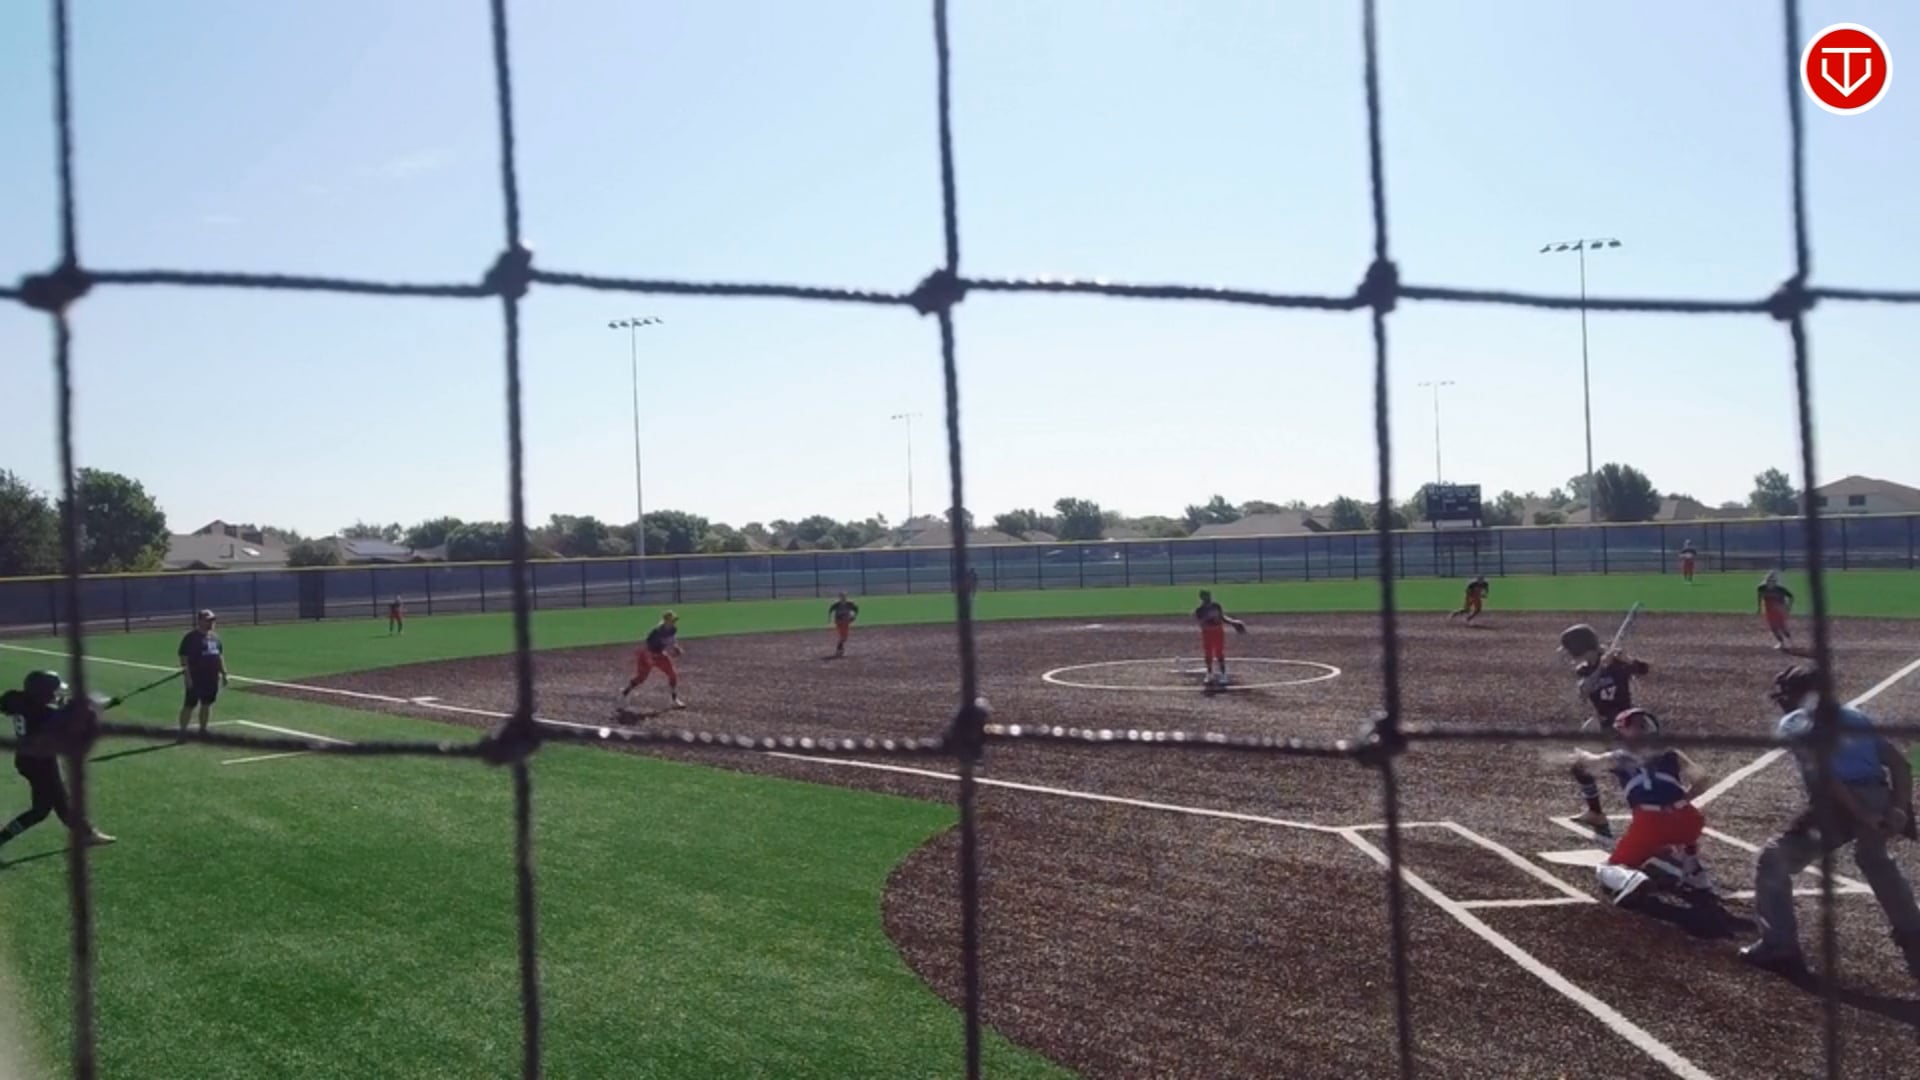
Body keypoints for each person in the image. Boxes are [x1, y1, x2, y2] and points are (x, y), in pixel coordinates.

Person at [1741, 665, 1920, 980]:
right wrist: (1898, 809)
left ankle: (1779, 946)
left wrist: (1863, 814)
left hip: (1841, 802)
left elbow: (1827, 779)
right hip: (1880, 795)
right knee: (1874, 859)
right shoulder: (1856, 717)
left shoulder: (1795, 723)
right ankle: (1914, 935)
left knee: (1773, 860)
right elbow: (1901, 766)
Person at [1567, 707, 1713, 905]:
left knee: (1607, 868)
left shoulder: (1618, 757)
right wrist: (1683, 800)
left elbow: (1588, 764)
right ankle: (1694, 871)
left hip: (1650, 824)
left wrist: (1579, 752)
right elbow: (1703, 779)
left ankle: (1631, 880)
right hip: (1688, 819)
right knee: (1678, 835)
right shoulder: (1671, 753)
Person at [0, 671, 115, 857]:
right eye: (52, 691)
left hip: (27, 760)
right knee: (41, 810)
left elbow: (57, 712)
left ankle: (87, 834)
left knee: (62, 802)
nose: (56, 695)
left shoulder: (21, 702)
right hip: (40, 764)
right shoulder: (45, 714)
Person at [1559, 622, 1653, 835]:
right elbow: (1584, 691)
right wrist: (1601, 667)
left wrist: (1628, 661)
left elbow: (1644, 670)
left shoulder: (1617, 662)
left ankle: (1650, 818)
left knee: (1627, 772)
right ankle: (1595, 812)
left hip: (1625, 726)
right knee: (1580, 765)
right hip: (1603, 725)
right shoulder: (1585, 669)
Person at [177, 609, 229, 740]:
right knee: (189, 705)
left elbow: (219, 656)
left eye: (213, 620)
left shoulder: (215, 638)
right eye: (208, 620)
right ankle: (182, 732)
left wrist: (224, 673)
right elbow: (184, 658)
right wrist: (188, 677)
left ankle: (203, 730)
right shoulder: (190, 638)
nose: (211, 623)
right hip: (196, 678)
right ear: (200, 621)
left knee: (207, 704)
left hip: (211, 678)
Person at [621, 611, 685, 711]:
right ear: (665, 621)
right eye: (672, 620)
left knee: (672, 675)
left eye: (674, 620)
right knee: (641, 678)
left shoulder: (673, 629)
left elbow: (671, 641)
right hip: (647, 655)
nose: (674, 622)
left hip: (660, 655)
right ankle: (625, 693)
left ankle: (674, 699)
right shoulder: (657, 632)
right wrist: (649, 659)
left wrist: (676, 648)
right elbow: (646, 647)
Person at [1193, 590, 1248, 689]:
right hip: (1207, 633)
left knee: (1219, 653)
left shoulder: (1216, 606)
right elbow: (1202, 624)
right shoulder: (1199, 610)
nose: (1208, 598)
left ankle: (1223, 674)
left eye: (1208, 596)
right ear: (1202, 598)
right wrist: (1210, 619)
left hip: (1218, 632)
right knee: (1208, 654)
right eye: (1206, 596)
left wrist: (1233, 622)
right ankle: (1209, 674)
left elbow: (1222, 618)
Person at [1757, 571, 1795, 650]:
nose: (1770, 583)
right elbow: (1760, 597)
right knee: (1773, 627)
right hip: (1768, 610)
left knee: (1781, 626)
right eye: (1769, 581)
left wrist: (1788, 607)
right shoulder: (1761, 588)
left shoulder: (1780, 589)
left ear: (1775, 582)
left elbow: (1791, 597)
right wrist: (1759, 608)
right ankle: (1781, 642)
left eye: (1773, 581)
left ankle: (1790, 641)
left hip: (1779, 609)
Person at [828, 591, 859, 657]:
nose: (843, 598)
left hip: (846, 622)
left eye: (844, 596)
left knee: (844, 638)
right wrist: (829, 619)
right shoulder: (836, 604)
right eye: (841, 596)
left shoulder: (850, 604)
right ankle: (839, 650)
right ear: (839, 597)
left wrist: (854, 615)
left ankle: (840, 649)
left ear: (846, 597)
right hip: (839, 622)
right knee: (843, 637)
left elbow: (856, 609)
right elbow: (830, 610)